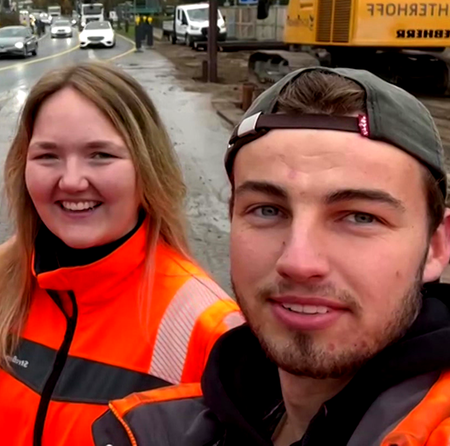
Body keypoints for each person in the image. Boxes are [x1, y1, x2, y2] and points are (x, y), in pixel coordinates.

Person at [93, 67, 450, 446]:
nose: (299, 262)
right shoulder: (159, 427)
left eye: (361, 217)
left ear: (436, 246)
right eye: (267, 210)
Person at [0, 61, 242, 445]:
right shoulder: (5, 281)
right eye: (47, 156)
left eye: (100, 155)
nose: (72, 180)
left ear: (146, 167)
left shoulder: (211, 332)